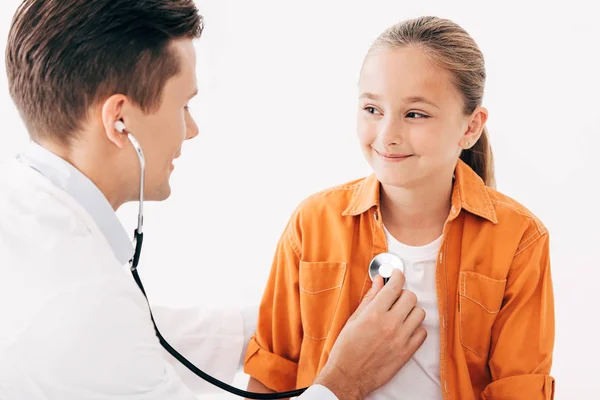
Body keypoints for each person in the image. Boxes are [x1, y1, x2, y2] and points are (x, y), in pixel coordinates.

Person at [0, 1, 422, 399]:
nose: (192, 129)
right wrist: (344, 380)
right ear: (120, 121)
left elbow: (141, 335)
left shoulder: (30, 221)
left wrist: (299, 310)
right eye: (183, 105)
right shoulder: (80, 304)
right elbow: (107, 335)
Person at [244, 16, 556, 399]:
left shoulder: (519, 238)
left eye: (415, 114)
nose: (387, 135)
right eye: (372, 109)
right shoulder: (312, 223)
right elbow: (272, 374)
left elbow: (518, 389)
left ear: (470, 127)